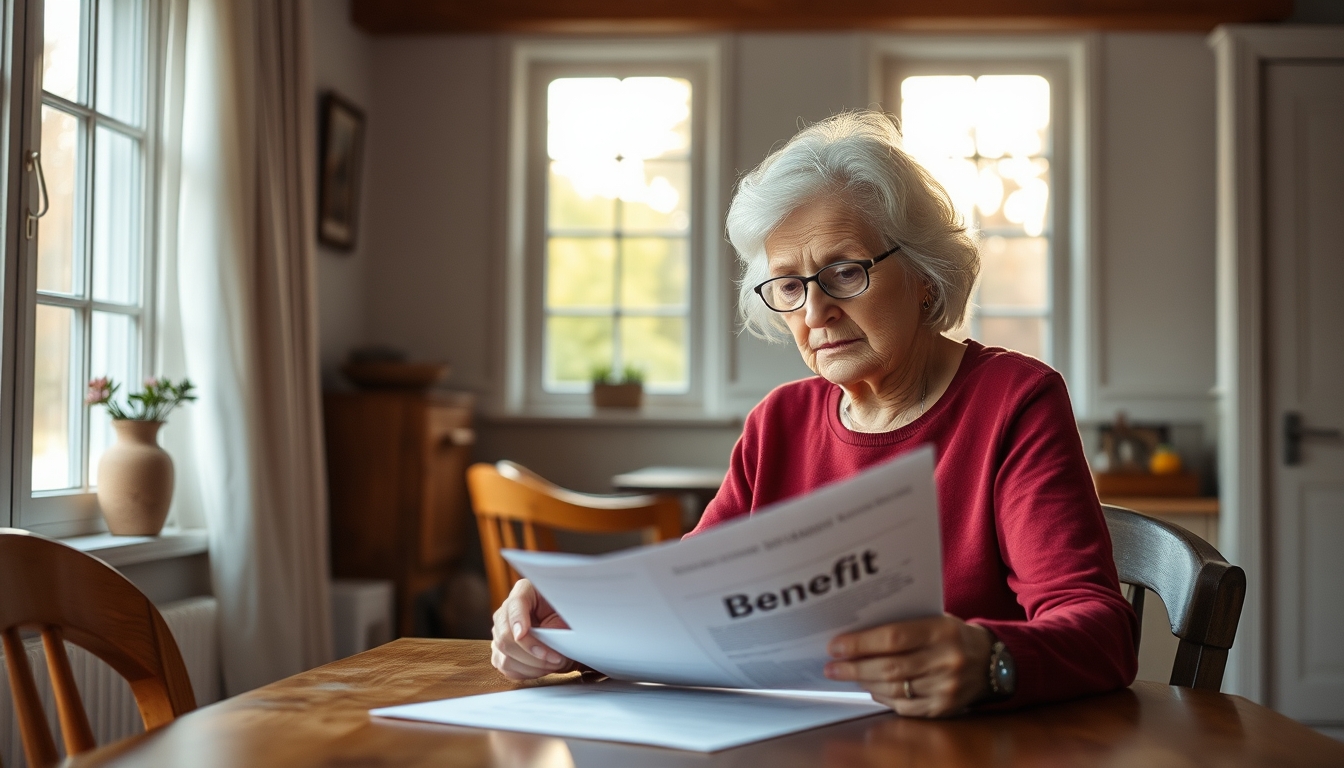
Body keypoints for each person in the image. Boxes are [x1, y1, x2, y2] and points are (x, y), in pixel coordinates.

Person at [490, 111, 1138, 717]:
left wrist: (990, 660)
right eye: (790, 286)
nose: (814, 312)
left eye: (845, 271)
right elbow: (684, 603)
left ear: (924, 276)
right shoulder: (779, 423)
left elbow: (1101, 632)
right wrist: (568, 619)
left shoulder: (1014, 402)